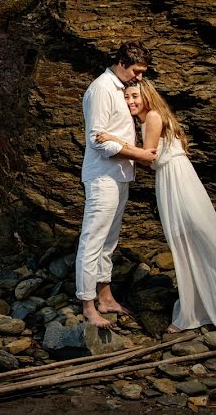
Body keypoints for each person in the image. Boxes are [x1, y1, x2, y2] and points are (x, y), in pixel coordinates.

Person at [96, 81, 216, 332]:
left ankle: (214, 309)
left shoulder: (153, 116)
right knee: (188, 243)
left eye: (135, 96)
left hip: (177, 180)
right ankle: (202, 307)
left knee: (194, 240)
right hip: (173, 178)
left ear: (147, 95)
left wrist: (112, 140)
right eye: (126, 97)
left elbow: (149, 156)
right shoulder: (148, 118)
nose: (130, 102)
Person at [76, 41, 158, 329]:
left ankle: (106, 296)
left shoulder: (119, 88)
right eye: (136, 71)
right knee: (93, 241)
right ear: (122, 62)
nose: (139, 78)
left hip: (119, 175)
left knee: (108, 242)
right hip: (102, 176)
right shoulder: (101, 89)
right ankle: (88, 305)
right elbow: (96, 140)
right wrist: (139, 154)